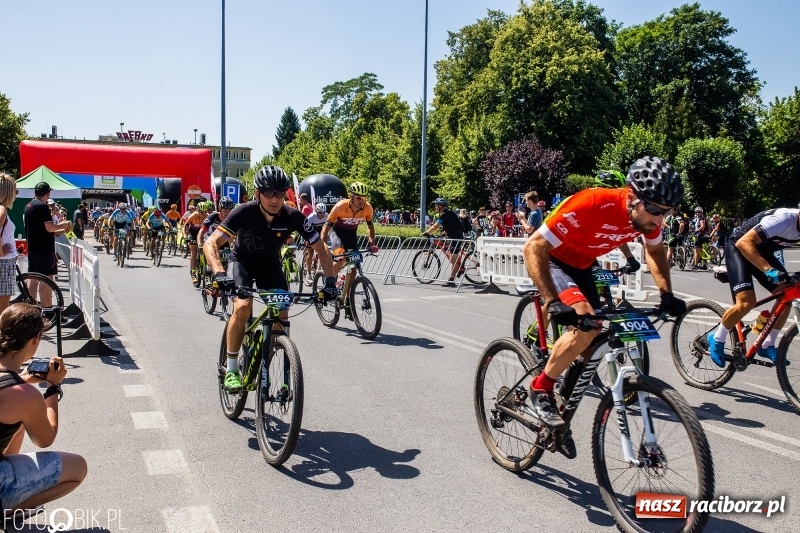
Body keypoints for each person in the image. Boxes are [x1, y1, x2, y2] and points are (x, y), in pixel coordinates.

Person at [521, 156, 686, 458]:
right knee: (585, 322)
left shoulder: (647, 216)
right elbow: (533, 246)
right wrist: (552, 300)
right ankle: (540, 386)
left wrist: (666, 294)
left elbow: (657, 251)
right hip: (554, 260)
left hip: (583, 266)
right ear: (632, 195)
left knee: (592, 340)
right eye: (654, 210)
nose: (659, 220)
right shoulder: (592, 202)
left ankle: (558, 413)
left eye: (667, 212)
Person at [204, 166, 339, 392]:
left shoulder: (293, 216)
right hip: (242, 263)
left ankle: (268, 352)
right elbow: (211, 243)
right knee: (243, 307)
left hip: (270, 265)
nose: (275, 199)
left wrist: (330, 282)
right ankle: (232, 368)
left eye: (280, 193)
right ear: (257, 193)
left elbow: (321, 249)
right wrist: (218, 272)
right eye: (269, 193)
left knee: (282, 313)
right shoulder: (243, 212)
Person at [0, 303, 87, 516]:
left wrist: (24, 380)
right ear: (35, 340)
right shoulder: (23, 395)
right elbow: (44, 439)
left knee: (17, 423)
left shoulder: (16, 387)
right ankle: (8, 511)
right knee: (78, 467)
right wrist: (52, 387)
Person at [706, 208, 800, 366]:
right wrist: (768, 270)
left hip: (759, 251)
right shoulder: (784, 219)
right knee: (746, 302)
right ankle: (717, 338)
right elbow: (744, 242)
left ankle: (767, 344)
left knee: (787, 294)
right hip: (739, 246)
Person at [320, 182, 379, 282]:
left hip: (351, 235)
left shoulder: (368, 208)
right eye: (359, 198)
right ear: (351, 197)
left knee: (354, 267)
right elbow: (326, 229)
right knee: (341, 258)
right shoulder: (340, 206)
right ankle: (330, 283)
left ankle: (347, 296)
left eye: (364, 198)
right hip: (337, 233)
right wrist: (323, 247)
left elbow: (370, 227)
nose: (362, 201)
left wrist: (372, 244)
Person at [23, 183, 69, 308]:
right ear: (48, 193)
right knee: (47, 278)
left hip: (33, 248)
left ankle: (30, 307)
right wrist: (62, 225)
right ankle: (47, 308)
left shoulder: (28, 206)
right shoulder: (43, 207)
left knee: (33, 278)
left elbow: (39, 229)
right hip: (44, 249)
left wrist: (54, 232)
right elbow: (49, 227)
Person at [422, 198, 465, 287]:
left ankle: (451, 280)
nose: (435, 207)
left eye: (436, 205)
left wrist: (427, 232)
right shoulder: (451, 213)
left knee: (453, 260)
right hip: (455, 236)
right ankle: (455, 273)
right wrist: (445, 233)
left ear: (440, 206)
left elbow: (435, 226)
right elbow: (454, 224)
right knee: (453, 258)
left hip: (455, 238)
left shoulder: (444, 215)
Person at [0, 175, 18, 315]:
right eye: (15, 191)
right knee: (3, 311)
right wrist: (1, 252)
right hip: (4, 263)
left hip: (5, 262)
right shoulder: (2, 210)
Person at [184, 201, 211, 285]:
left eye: (205, 212)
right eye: (201, 212)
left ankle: (205, 268)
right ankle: (193, 272)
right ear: (198, 211)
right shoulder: (193, 216)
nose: (203, 214)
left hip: (202, 233)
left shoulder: (208, 216)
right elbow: (185, 225)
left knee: (206, 250)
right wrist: (185, 236)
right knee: (194, 252)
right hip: (193, 233)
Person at [303, 202, 329, 284]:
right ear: (316, 212)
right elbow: (305, 230)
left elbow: (329, 228)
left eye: (324, 212)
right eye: (320, 212)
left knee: (324, 250)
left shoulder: (327, 216)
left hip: (320, 233)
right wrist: (307, 239)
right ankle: (308, 272)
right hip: (311, 233)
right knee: (310, 253)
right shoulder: (311, 217)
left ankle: (320, 266)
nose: (322, 214)